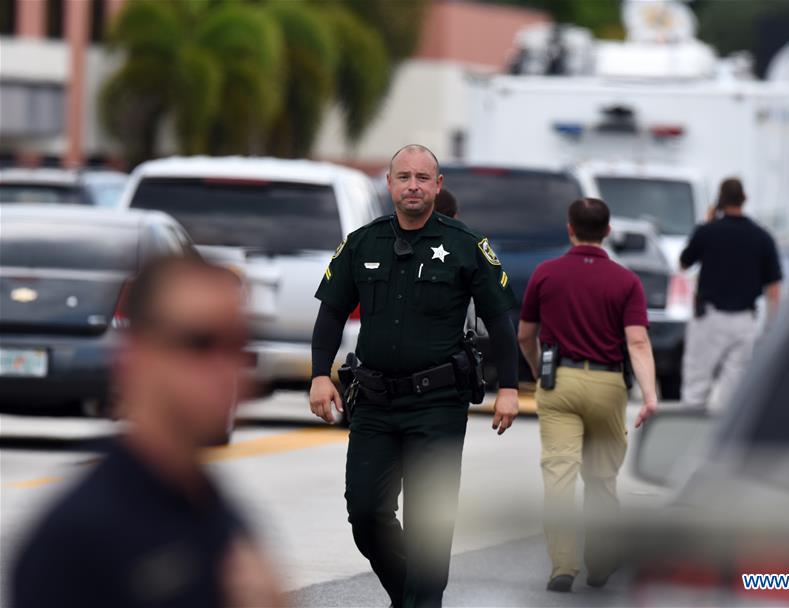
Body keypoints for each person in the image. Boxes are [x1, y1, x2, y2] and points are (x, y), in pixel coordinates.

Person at [309, 144, 521, 608]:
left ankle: (422, 602)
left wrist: (509, 387)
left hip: (438, 404)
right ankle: (410, 595)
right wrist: (319, 375)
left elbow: (501, 320)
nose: (413, 186)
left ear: (438, 186)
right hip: (375, 401)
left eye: (423, 178)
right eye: (403, 177)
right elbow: (330, 314)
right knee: (365, 512)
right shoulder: (362, 242)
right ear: (388, 184)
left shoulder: (466, 245)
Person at [12, 256, 282, 608]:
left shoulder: (213, 508)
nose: (226, 369)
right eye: (199, 343)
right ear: (134, 354)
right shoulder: (76, 541)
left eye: (238, 346)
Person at [517, 197, 657, 593]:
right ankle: (599, 561)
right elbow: (638, 342)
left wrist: (538, 371)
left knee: (559, 476)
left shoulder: (546, 274)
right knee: (601, 479)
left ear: (569, 229)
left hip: (558, 382)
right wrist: (650, 396)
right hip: (607, 385)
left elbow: (525, 334)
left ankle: (563, 566)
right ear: (608, 232)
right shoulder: (627, 281)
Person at [680, 178, 782, 411]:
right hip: (744, 321)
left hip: (709, 318)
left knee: (696, 387)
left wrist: (706, 223)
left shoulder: (707, 232)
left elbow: (684, 263)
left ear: (720, 199)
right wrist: (771, 325)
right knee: (733, 392)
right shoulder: (762, 237)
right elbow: (774, 288)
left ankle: (689, 440)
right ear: (744, 199)